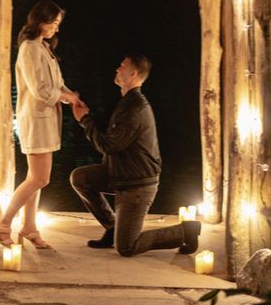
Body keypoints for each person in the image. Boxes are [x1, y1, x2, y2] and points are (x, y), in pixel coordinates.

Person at [70, 53, 201, 257]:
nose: (117, 69)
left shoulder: (135, 107)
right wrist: (87, 118)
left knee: (126, 248)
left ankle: (185, 231)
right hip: (121, 175)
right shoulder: (127, 102)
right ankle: (112, 227)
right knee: (80, 178)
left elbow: (110, 146)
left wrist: (85, 120)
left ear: (133, 73)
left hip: (137, 185)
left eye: (122, 66)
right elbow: (114, 140)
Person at [0, 0, 80, 249]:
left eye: (57, 24)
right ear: (40, 22)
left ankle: (29, 227)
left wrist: (71, 96)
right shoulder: (29, 49)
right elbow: (40, 89)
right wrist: (65, 97)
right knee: (39, 179)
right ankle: (4, 220)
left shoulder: (44, 48)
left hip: (47, 121)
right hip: (35, 120)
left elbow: (56, 84)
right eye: (54, 23)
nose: (56, 28)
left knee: (37, 177)